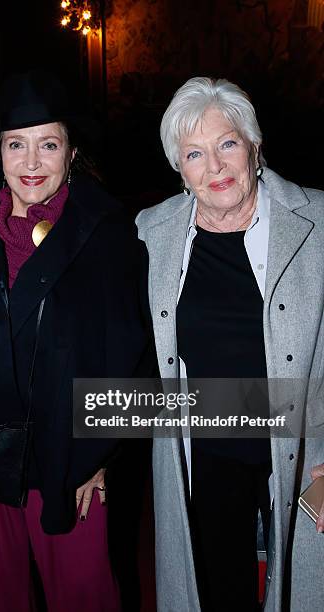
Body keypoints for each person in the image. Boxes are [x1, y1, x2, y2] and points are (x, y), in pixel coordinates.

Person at [0, 70, 153, 612]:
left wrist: (97, 455)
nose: (30, 163)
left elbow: (133, 350)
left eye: (47, 145)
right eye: (15, 145)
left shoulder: (107, 233)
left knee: (84, 595)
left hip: (65, 457)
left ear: (71, 153)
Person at [136, 77, 324, 611]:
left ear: (254, 146)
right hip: (210, 447)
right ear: (178, 166)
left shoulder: (318, 222)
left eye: (227, 144)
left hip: (307, 446)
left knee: (306, 586)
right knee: (218, 590)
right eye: (195, 153)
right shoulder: (152, 232)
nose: (215, 167)